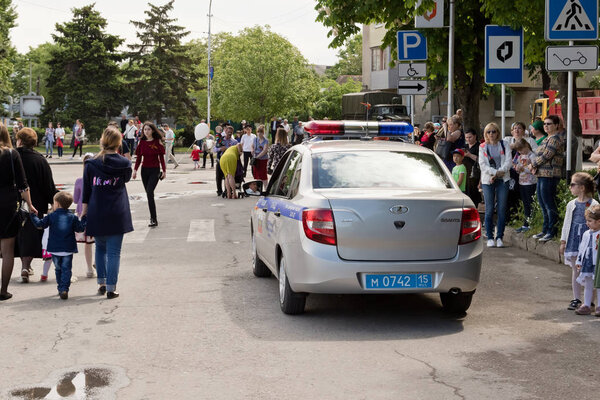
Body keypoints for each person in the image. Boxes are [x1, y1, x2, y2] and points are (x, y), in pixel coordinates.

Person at [82, 127, 133, 299]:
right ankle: (111, 288)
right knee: (114, 252)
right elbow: (126, 179)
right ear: (119, 143)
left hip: (97, 210)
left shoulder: (91, 164)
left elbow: (86, 190)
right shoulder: (124, 163)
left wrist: (83, 211)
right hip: (117, 211)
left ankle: (101, 283)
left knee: (100, 249)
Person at [0, 123, 37, 300]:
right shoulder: (11, 154)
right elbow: (23, 185)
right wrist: (30, 205)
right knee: (7, 251)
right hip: (7, 204)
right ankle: (3, 290)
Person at [16, 127, 57, 282]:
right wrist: (55, 201)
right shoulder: (40, 160)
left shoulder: (12, 156)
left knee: (15, 236)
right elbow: (48, 186)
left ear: (19, 140)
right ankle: (26, 266)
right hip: (35, 203)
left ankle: (25, 267)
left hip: (13, 201)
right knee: (31, 235)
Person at [30, 191, 86, 300]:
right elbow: (80, 229)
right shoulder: (72, 217)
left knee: (58, 269)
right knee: (67, 269)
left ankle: (60, 287)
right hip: (68, 249)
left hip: (55, 249)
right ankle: (64, 289)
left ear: (57, 204)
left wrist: (33, 215)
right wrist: (84, 219)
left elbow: (39, 225)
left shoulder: (51, 216)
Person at [560, 173, 598, 311]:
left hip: (589, 243)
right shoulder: (571, 204)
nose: (570, 187)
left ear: (582, 188)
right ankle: (576, 298)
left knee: (591, 272)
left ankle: (590, 301)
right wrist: (563, 241)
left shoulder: (593, 204)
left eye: (572, 184)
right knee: (576, 270)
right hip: (574, 241)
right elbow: (567, 223)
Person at [530, 115, 565, 242]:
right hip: (541, 174)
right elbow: (537, 154)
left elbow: (546, 155)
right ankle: (545, 230)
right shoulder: (546, 139)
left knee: (549, 204)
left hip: (550, 175)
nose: (546, 126)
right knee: (543, 204)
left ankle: (552, 231)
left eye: (549, 124)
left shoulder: (555, 139)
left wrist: (533, 164)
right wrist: (534, 166)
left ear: (556, 125)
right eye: (544, 124)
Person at [479, 122, 512, 248]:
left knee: (501, 209)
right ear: (485, 134)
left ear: (498, 132)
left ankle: (499, 237)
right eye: (489, 132)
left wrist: (499, 174)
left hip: (503, 179)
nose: (491, 134)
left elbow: (508, 161)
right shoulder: (482, 146)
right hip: (488, 180)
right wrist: (494, 173)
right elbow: (483, 165)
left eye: (494, 131)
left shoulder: (504, 144)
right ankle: (490, 236)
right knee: (489, 209)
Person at [133, 122, 166, 227]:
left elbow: (161, 158)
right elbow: (139, 158)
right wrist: (135, 170)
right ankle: (153, 218)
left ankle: (153, 219)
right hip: (144, 171)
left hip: (155, 170)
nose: (146, 131)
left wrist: (164, 171)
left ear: (152, 130)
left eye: (148, 129)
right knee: (149, 194)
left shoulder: (157, 142)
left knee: (149, 192)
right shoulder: (141, 142)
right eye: (145, 130)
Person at [574, 205, 600, 315]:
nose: (587, 223)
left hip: (598, 264)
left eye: (590, 221)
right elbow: (582, 248)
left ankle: (599, 306)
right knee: (588, 284)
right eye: (587, 221)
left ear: (599, 221)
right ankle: (587, 305)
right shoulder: (586, 233)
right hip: (588, 263)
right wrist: (579, 261)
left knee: (599, 285)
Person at [73, 153, 96, 278]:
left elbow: (76, 200)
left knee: (88, 243)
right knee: (100, 240)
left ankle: (89, 269)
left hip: (83, 213)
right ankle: (98, 262)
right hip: (97, 212)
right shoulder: (98, 179)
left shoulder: (79, 180)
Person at [513, 139, 538, 233]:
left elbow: (533, 169)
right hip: (522, 182)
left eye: (521, 150)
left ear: (526, 146)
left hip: (530, 182)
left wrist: (523, 168)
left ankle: (530, 223)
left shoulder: (532, 155)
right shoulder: (521, 156)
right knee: (525, 203)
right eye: (518, 151)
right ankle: (525, 223)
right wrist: (517, 168)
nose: (520, 152)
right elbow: (518, 167)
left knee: (529, 203)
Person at [215, 125, 238, 197]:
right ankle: (219, 191)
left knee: (228, 176)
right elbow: (214, 149)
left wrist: (227, 148)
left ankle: (227, 191)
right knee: (219, 176)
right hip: (220, 159)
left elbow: (237, 151)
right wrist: (220, 149)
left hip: (230, 161)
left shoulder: (234, 142)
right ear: (225, 132)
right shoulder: (220, 140)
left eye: (231, 132)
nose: (229, 133)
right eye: (228, 132)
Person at [463, 128, 481, 208]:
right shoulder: (465, 146)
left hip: (475, 174)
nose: (468, 139)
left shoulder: (479, 146)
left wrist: (470, 155)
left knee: (473, 195)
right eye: (466, 137)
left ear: (475, 136)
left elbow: (481, 160)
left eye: (470, 137)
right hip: (465, 173)